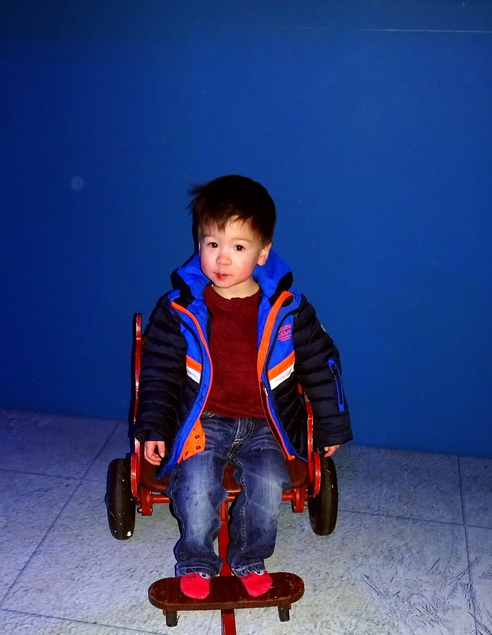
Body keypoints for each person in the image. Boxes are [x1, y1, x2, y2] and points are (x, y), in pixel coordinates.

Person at [134, 175, 352, 600]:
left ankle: (250, 557)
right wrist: (154, 429)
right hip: (203, 421)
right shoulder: (179, 310)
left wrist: (331, 427)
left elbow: (322, 368)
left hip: (265, 425)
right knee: (196, 488)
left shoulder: (288, 310)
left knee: (270, 485)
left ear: (262, 252)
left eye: (238, 246)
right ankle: (197, 562)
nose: (221, 258)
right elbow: (158, 373)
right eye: (211, 243)